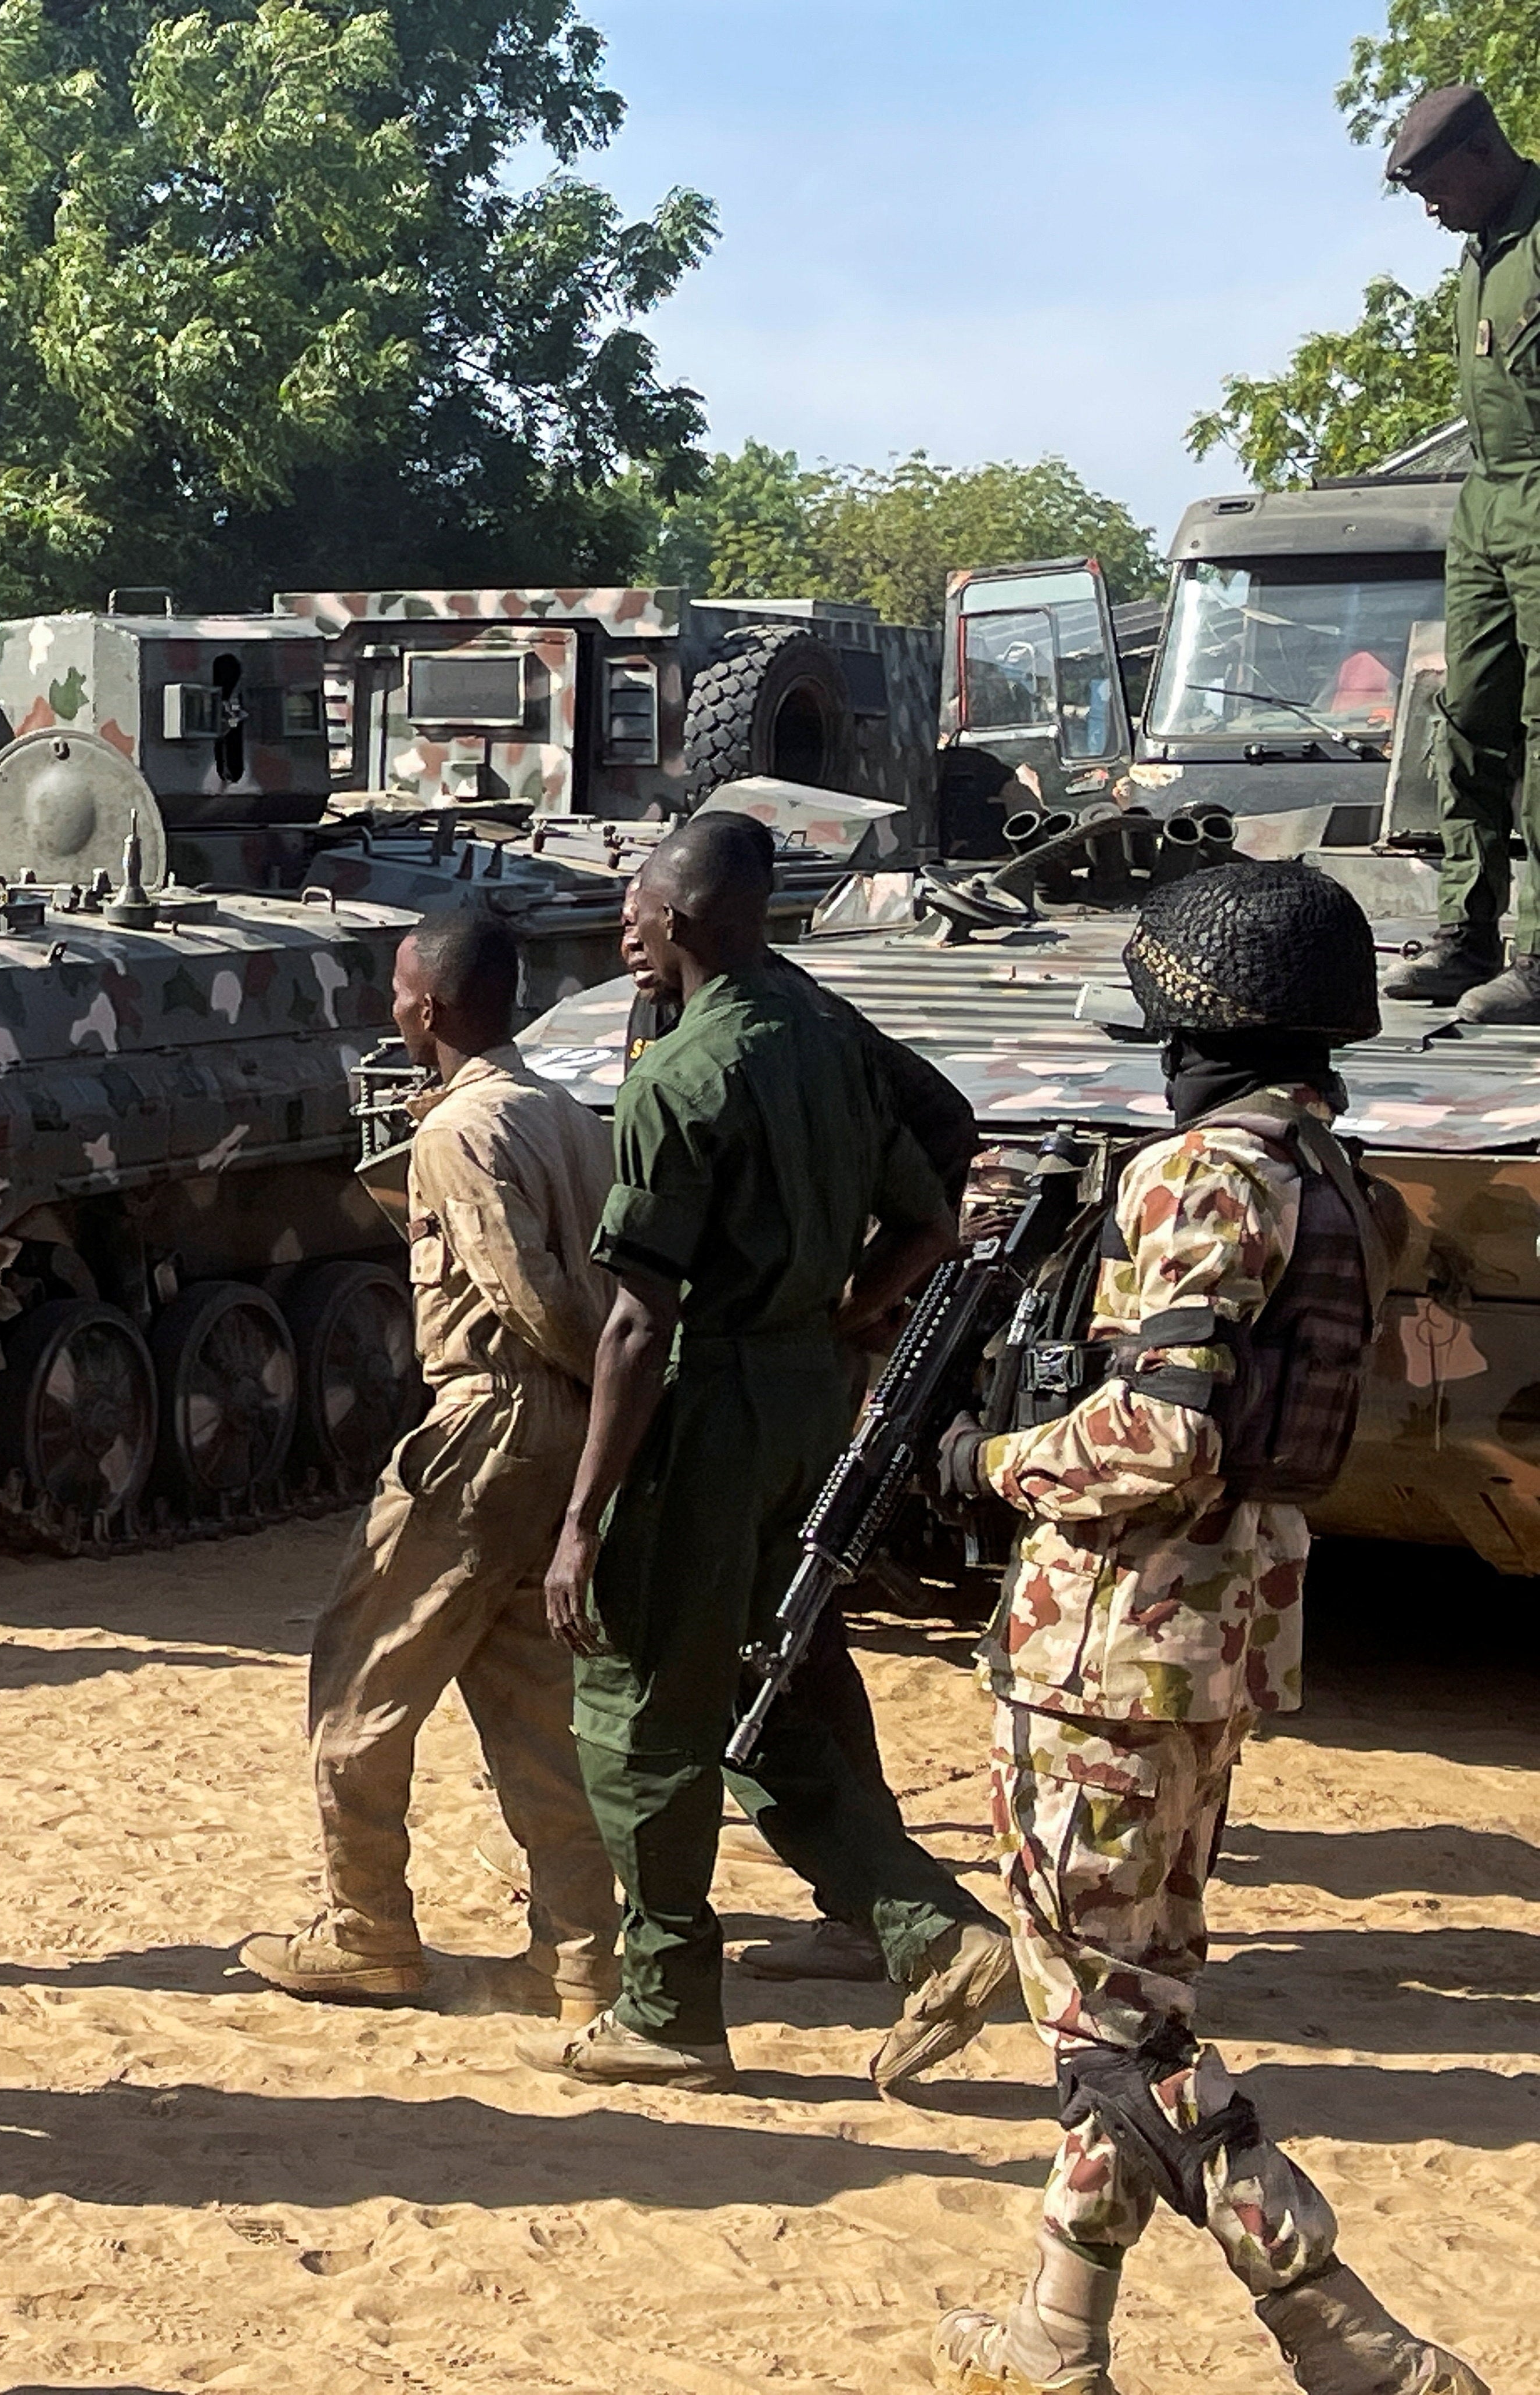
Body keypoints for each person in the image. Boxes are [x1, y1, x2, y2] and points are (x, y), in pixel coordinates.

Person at [935, 862, 1487, 2395]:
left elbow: (1165, 1434)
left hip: (1106, 1643)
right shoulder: (1334, 1176)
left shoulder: (1200, 1173)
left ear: (1206, 1023)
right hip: (1217, 1640)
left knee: (1113, 2030)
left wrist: (996, 1462)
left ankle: (1335, 2323)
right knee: (1136, 1988)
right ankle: (1057, 2328)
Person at [535, 813, 1008, 2093]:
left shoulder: (675, 1082)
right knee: (766, 1686)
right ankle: (927, 1929)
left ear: (678, 921)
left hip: (714, 1409)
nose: (621, 927)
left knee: (637, 1707)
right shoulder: (821, 1029)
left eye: (632, 910)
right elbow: (935, 1198)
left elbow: (638, 1324)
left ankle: (667, 2004)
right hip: (811, 1393)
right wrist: (851, 1308)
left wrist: (581, 1519)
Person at [236, 907, 621, 2019]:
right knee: (530, 1695)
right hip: (558, 1434)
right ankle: (582, 1954)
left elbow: (525, 1291)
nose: (392, 1007)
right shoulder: (564, 1113)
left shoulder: (460, 1131)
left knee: (359, 1673)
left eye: (401, 990)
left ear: (431, 1007)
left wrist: (566, 1382)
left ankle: (366, 1930)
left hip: (490, 1420)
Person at [1384, 86, 1540, 1022]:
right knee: (1471, 712)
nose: (1431, 211)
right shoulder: (1480, 257)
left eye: (1434, 189)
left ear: (1481, 156)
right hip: (1486, 500)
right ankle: (1465, 935)